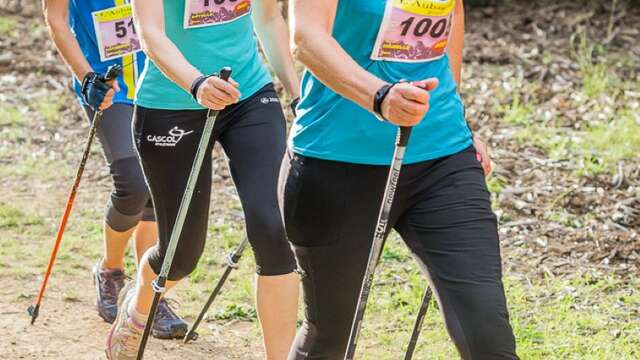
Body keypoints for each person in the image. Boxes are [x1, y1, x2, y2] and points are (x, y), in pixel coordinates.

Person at [281, 0, 518, 359]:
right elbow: (306, 37)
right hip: (336, 160)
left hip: (442, 159)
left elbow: (451, 16)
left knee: (488, 334)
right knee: (330, 339)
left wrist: (457, 118)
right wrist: (380, 97)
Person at [105, 0, 301, 359]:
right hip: (171, 103)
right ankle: (137, 310)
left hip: (248, 94)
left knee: (274, 229)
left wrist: (297, 92)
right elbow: (150, 32)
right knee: (180, 255)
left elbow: (269, 18)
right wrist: (196, 83)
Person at [42, 0, 186, 339]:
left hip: (161, 79)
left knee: (156, 187)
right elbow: (55, 17)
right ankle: (110, 270)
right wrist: (86, 75)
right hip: (109, 85)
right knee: (133, 184)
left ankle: (145, 290)